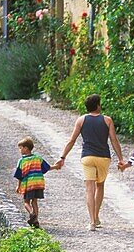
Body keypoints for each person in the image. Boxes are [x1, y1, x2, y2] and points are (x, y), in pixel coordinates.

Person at [54, 94, 126, 231]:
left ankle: (92, 222)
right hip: (103, 157)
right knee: (100, 186)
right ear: (98, 105)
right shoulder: (107, 120)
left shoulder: (81, 120)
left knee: (89, 189)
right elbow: (114, 140)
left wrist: (62, 157)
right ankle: (97, 216)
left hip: (87, 157)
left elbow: (72, 140)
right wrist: (121, 158)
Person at [14, 137, 53, 228]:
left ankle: (32, 214)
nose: (20, 150)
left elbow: (19, 175)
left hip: (29, 184)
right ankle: (36, 221)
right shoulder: (38, 158)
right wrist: (55, 166)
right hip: (38, 183)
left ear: (26, 148)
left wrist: (18, 186)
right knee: (34, 202)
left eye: (20, 148)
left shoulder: (22, 161)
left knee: (26, 202)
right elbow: (46, 167)